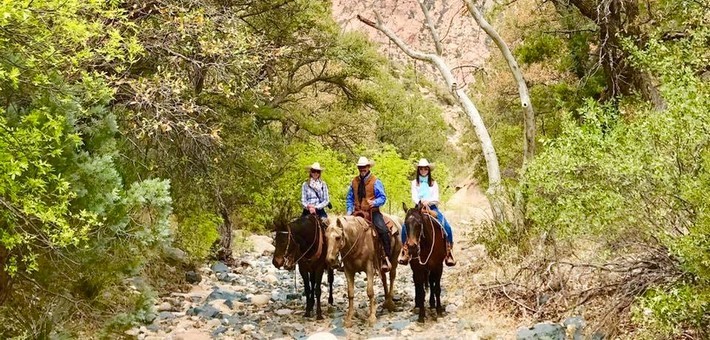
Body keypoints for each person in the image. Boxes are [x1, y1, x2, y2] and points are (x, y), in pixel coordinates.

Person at [399, 158, 456, 266]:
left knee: (446, 226)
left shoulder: (433, 183)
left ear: (428, 170)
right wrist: (420, 202)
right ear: (419, 170)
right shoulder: (414, 183)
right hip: (418, 208)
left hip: (432, 207)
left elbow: (436, 198)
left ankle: (449, 251)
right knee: (404, 227)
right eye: (421, 169)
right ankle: (405, 250)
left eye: (426, 168)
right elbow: (414, 196)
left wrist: (428, 202)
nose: (423, 170)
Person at [346, 156, 392, 272]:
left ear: (368, 167)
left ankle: (386, 257)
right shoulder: (354, 182)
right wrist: (349, 210)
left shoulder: (375, 181)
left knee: (383, 230)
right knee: (344, 231)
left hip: (372, 212)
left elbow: (383, 197)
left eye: (364, 167)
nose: (362, 169)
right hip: (357, 212)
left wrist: (375, 202)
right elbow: (349, 198)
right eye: (360, 167)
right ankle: (344, 260)